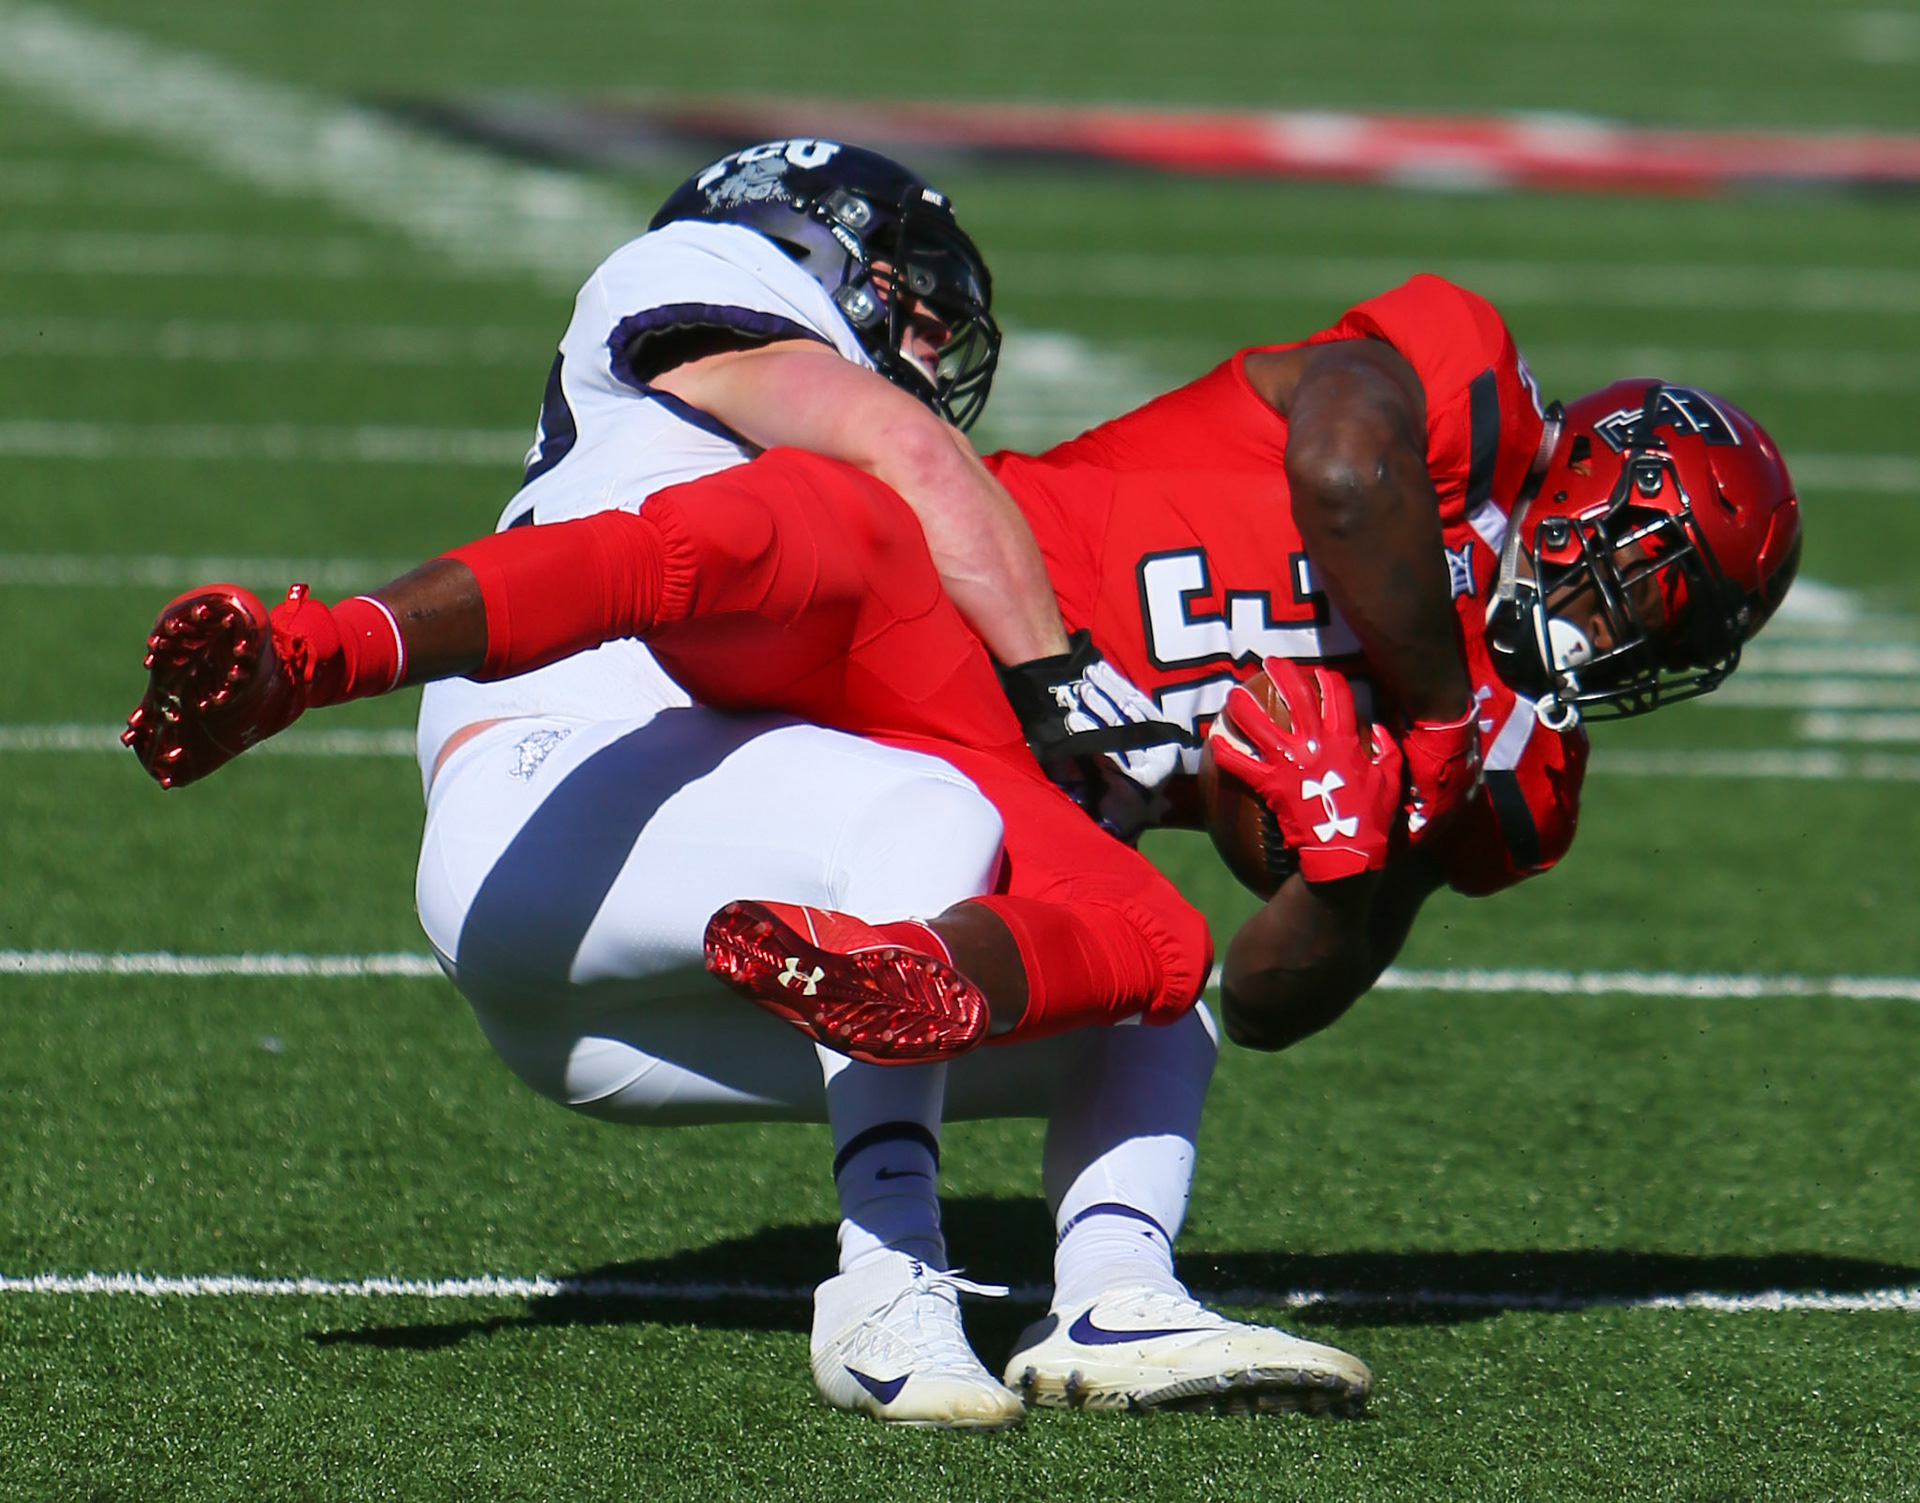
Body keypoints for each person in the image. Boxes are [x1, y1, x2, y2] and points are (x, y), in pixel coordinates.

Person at [125, 141, 1369, 1428]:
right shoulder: (703, 279)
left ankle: (1116, 1296)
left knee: (1155, 1002)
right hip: (559, 774)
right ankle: (888, 1282)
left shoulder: (905, 550)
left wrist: (1317, 817)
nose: (935, 362)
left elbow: (1104, 811)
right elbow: (907, 453)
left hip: (635, 977)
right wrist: (1060, 673)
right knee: (921, 808)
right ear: (819, 250)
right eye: (925, 314)